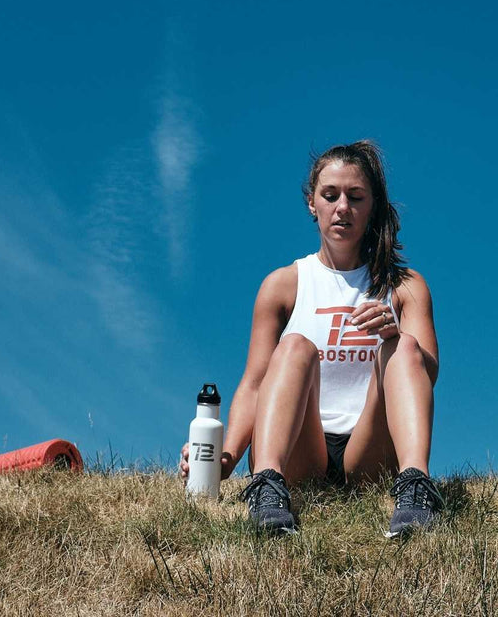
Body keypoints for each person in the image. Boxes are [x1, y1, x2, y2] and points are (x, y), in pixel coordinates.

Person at [179, 140, 442, 535]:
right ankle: (267, 485)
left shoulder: (404, 286)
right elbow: (255, 382)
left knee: (404, 345)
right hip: (304, 445)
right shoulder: (283, 285)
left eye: (355, 197)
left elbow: (427, 371)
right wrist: (227, 457)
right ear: (311, 203)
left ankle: (415, 488)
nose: (342, 208)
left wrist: (393, 331)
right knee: (294, 346)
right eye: (330, 195)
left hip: (370, 451)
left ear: (373, 206)